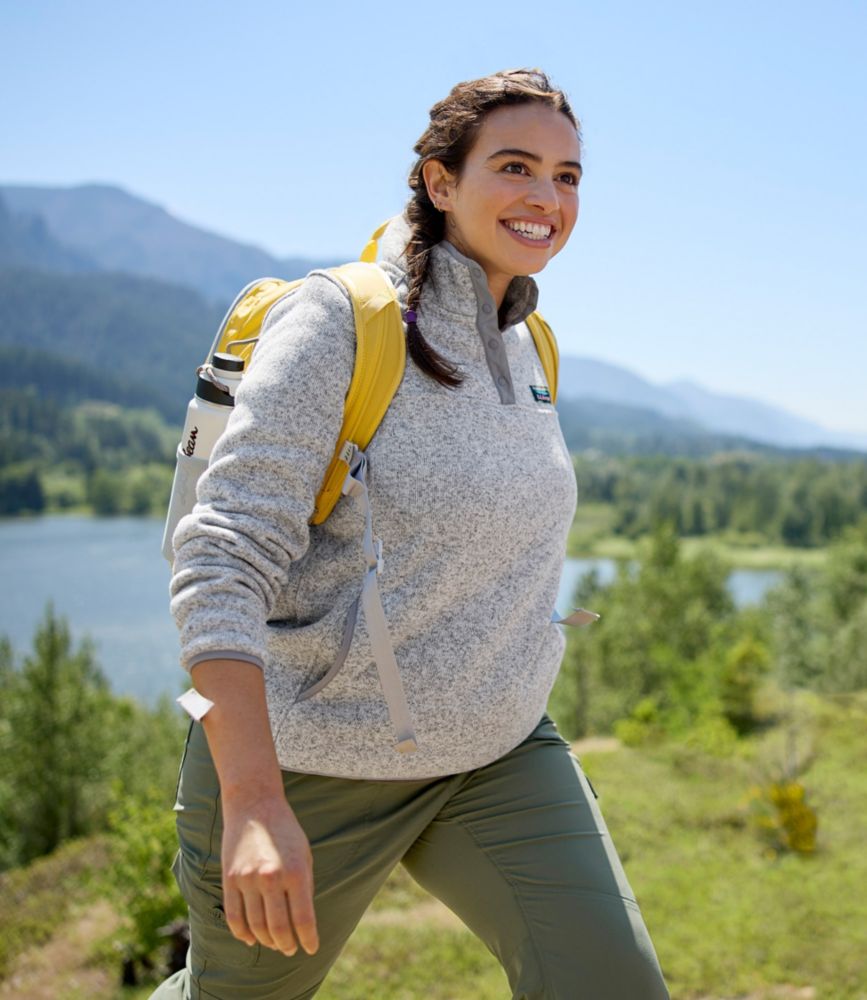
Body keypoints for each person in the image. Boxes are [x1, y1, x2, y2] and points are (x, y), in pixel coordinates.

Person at [151, 69, 671, 1000]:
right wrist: (254, 802)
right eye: (515, 166)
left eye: (567, 176)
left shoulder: (530, 344)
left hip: (499, 751)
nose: (545, 198)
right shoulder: (340, 320)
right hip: (313, 767)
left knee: (613, 986)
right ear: (439, 182)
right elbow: (222, 551)